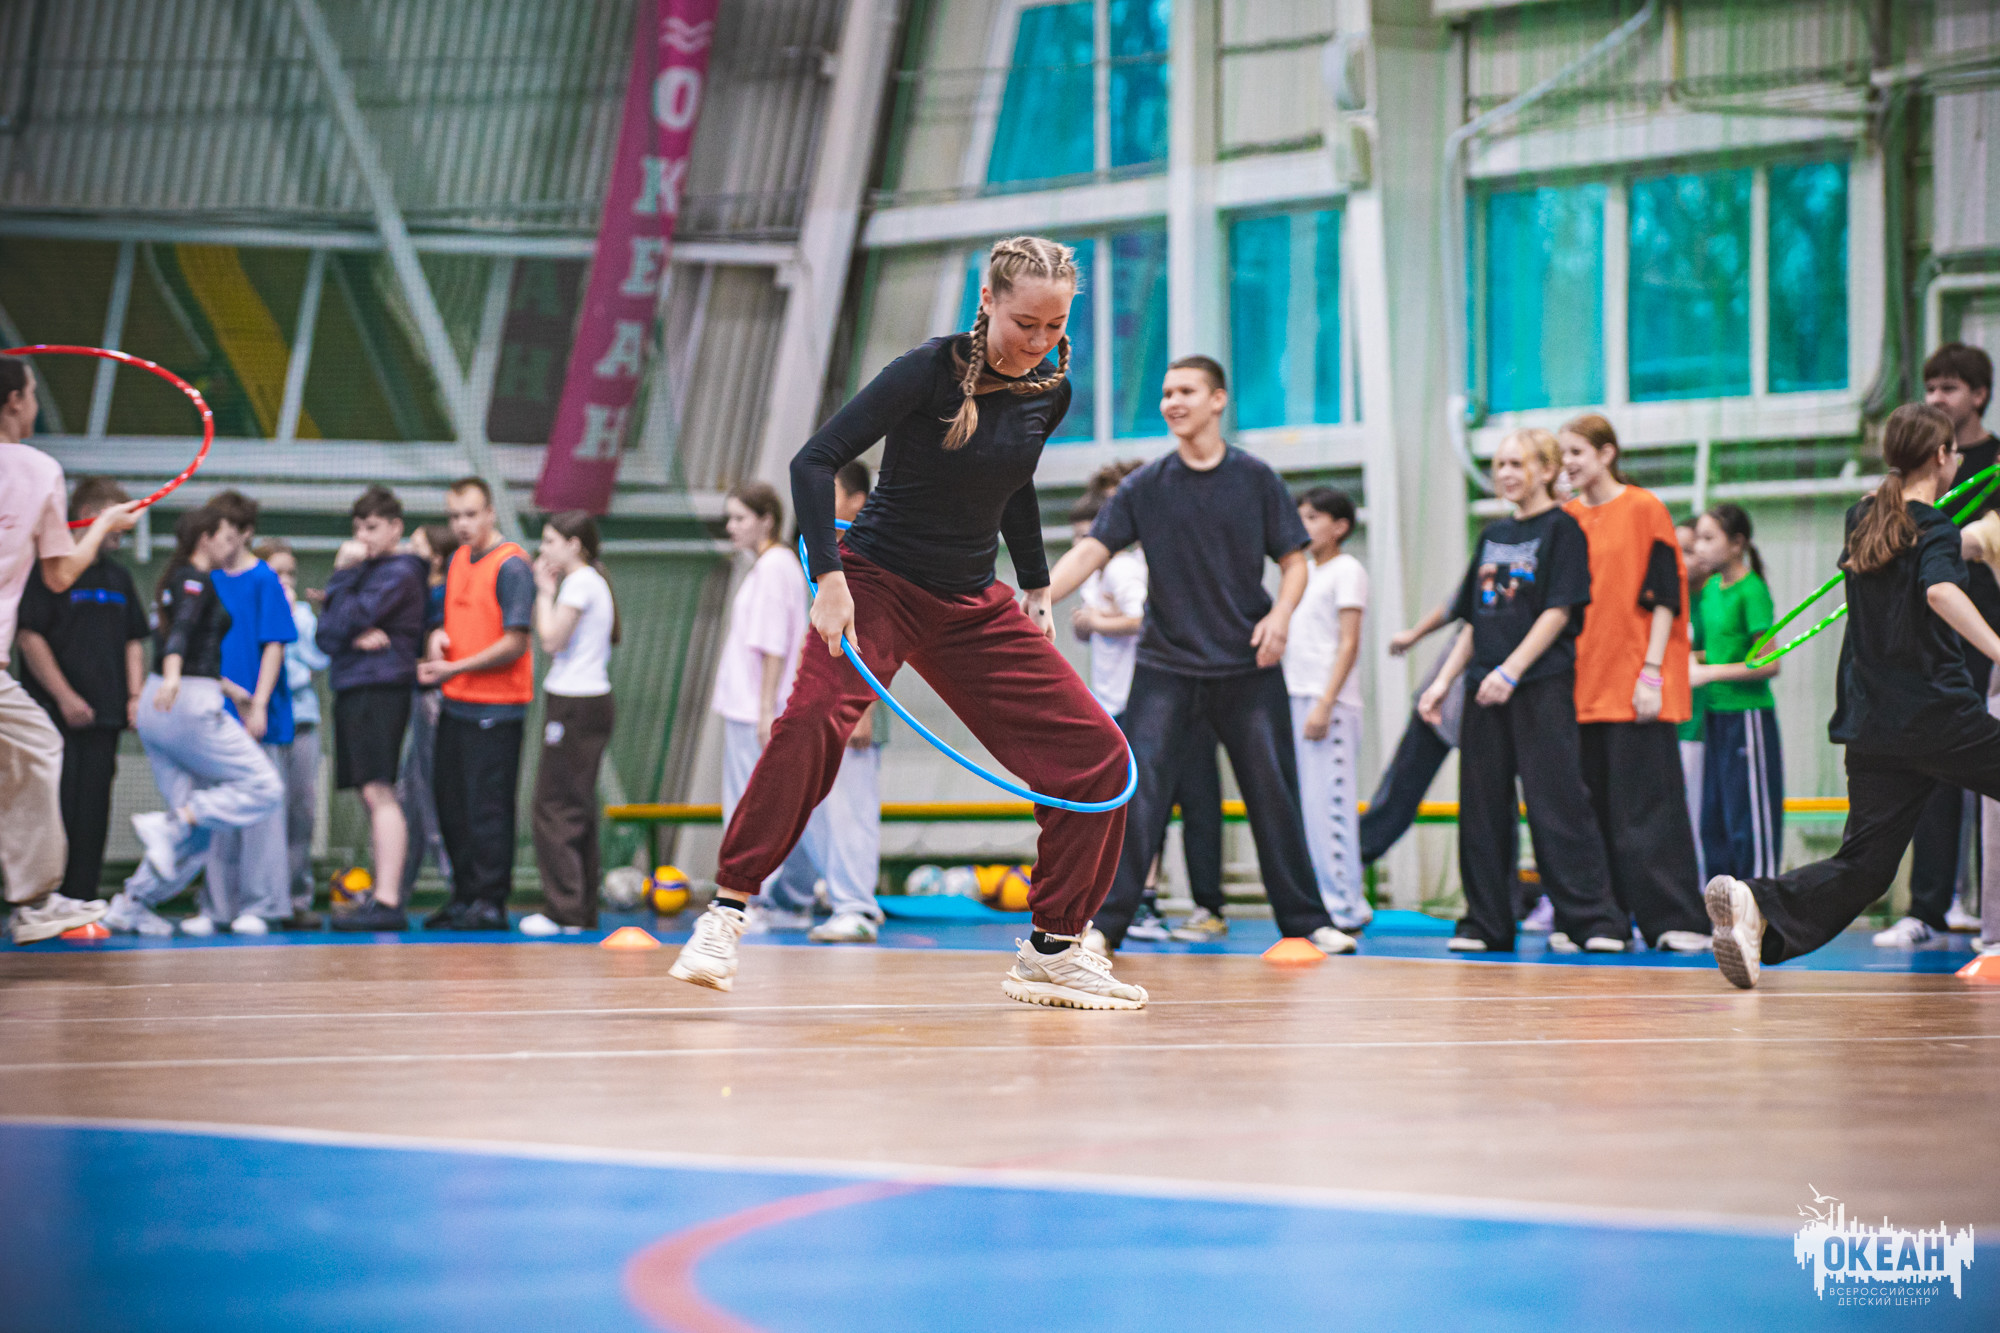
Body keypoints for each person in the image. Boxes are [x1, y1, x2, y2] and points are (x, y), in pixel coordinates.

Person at [670, 235, 1143, 1009]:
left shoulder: (1048, 390)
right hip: (876, 584)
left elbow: (1014, 483)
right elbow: (813, 461)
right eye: (1025, 323)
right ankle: (727, 909)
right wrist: (829, 578)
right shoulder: (925, 371)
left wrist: (1034, 583)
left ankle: (1054, 948)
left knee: (1098, 758)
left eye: (1055, 326)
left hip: (971, 602)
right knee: (814, 720)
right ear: (987, 300)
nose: (1039, 341)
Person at [1049, 355, 1356, 958]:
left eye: (1186, 391)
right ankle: (1107, 924)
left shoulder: (1256, 479)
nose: (1172, 402)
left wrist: (1280, 617)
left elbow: (1294, 561)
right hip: (1166, 665)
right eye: (1166, 393)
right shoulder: (1145, 486)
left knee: (1273, 793)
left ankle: (1306, 921)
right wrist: (1038, 596)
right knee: (1139, 795)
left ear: (1218, 400)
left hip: (1246, 666)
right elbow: (1091, 552)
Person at [1706, 404, 2000, 988]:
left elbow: (1891, 518)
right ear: (1942, 457)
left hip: (1872, 723)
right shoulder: (1935, 528)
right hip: (1937, 716)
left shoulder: (1862, 518)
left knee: (1865, 866)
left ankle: (1757, 906)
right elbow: (1941, 592)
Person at [1419, 428, 1628, 954]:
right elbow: (1475, 618)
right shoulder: (1492, 534)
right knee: (1482, 807)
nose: (1506, 473)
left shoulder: (1562, 530)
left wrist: (1512, 671)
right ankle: (1486, 923)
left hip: (1538, 686)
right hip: (1482, 690)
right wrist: (1442, 682)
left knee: (1557, 804)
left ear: (1547, 470)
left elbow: (1558, 610)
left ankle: (1592, 921)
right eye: (1500, 464)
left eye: (1518, 463)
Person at [1557, 415, 1711, 952]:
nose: (1568, 463)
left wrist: (1651, 672)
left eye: (1577, 452)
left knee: (1650, 810)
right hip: (1581, 688)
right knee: (1591, 813)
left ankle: (1675, 919)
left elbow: (1665, 593)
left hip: (1636, 684)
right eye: (1563, 454)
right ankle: (1605, 921)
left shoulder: (1645, 508)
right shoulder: (1567, 518)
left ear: (1607, 454)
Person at [101, 507, 285, 936]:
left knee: (197, 832)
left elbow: (189, 638)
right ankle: (170, 823)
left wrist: (233, 691)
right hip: (185, 702)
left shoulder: (175, 579)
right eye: (226, 537)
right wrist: (173, 676)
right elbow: (180, 633)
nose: (233, 545)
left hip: (164, 705)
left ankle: (131, 903)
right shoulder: (195, 580)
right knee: (265, 786)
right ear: (205, 537)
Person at [1067, 472, 1225, 943]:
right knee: (1131, 805)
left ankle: (1158, 902)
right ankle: (1138, 900)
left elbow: (1144, 619)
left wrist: (1099, 621)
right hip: (1115, 702)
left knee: (1171, 802)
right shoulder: (1097, 574)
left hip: (1154, 701)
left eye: (1087, 536)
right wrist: (1088, 625)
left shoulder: (1124, 568)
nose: (1081, 546)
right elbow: (1102, 628)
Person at [706, 482, 858, 935]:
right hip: (756, 704)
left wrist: (764, 710)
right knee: (785, 805)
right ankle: (789, 900)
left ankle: (749, 901)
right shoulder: (777, 566)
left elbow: (773, 643)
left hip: (753, 707)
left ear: (767, 520)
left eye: (740, 518)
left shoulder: (774, 568)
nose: (731, 527)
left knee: (752, 805)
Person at [1890, 343, 1999, 944]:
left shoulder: (1996, 464)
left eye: (1949, 388)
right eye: (1930, 387)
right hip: (1933, 637)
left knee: (1985, 766)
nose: (1936, 397)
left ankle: (1988, 907)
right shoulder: (1911, 476)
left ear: (1979, 395)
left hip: (1986, 631)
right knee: (1933, 763)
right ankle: (1927, 908)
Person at [15, 476, 149, 903]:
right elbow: (29, 636)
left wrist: (134, 696)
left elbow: (133, 639)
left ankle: (82, 900)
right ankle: (40, 899)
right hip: (52, 717)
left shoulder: (119, 578)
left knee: (93, 810)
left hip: (104, 716)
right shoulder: (49, 571)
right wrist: (65, 697)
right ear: (90, 516)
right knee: (52, 807)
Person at [417, 478, 534, 930]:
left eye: (470, 514)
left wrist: (458, 667)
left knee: (488, 808)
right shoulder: (458, 560)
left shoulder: (511, 566)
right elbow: (453, 621)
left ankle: (490, 901)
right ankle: (464, 895)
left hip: (497, 709)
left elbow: (515, 641)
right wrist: (437, 638)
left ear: (490, 513)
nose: (462, 524)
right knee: (452, 804)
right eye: (454, 516)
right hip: (456, 704)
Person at [316, 485, 429, 932]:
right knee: (369, 791)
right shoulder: (367, 571)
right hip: (354, 685)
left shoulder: (400, 572)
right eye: (358, 528)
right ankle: (384, 897)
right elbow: (327, 635)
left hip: (379, 688)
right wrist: (351, 628)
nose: (362, 537)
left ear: (396, 528)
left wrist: (342, 578)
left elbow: (340, 620)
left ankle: (388, 901)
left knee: (380, 790)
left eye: (372, 527)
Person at [194, 490, 297, 935]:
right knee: (216, 808)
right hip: (212, 711)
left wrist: (257, 704)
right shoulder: (207, 579)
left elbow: (274, 644)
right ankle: (216, 906)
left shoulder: (263, 579)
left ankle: (261, 904)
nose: (218, 539)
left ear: (245, 533)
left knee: (262, 811)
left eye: (227, 532)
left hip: (256, 713)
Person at [522, 511, 618, 936]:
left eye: (550, 541)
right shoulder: (591, 582)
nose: (543, 550)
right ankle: (580, 908)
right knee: (576, 804)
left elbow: (550, 639)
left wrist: (544, 594)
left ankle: (565, 911)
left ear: (574, 545)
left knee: (554, 805)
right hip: (583, 701)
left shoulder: (579, 583)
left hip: (576, 704)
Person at [1285, 486, 1371, 933]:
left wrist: (1325, 702)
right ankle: (1327, 900)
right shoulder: (1304, 573)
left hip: (1328, 702)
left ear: (1339, 526)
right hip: (1297, 693)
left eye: (1313, 517)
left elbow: (1349, 641)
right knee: (1309, 811)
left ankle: (1345, 907)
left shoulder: (1347, 570)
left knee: (1330, 809)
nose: (1303, 526)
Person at [808, 460, 887, 944]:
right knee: (827, 808)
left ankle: (857, 906)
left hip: (857, 707)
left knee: (853, 807)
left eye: (832, 491)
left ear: (857, 501)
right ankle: (840, 896)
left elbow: (876, 640)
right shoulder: (828, 556)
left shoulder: (866, 557)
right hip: (829, 706)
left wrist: (864, 710)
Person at [1688, 505, 1783, 887]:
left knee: (1750, 821)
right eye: (1698, 539)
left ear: (1737, 543)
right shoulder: (1711, 589)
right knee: (1714, 820)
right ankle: (1723, 905)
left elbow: (1769, 663)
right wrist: (1688, 661)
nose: (1699, 547)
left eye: (1709, 538)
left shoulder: (1752, 590)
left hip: (1747, 718)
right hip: (1715, 717)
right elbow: (1719, 652)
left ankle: (1760, 901)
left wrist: (1708, 673)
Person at [1358, 601, 1462, 868]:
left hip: (1494, 709)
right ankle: (1345, 863)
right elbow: (1457, 604)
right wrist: (1415, 634)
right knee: (1395, 802)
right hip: (1441, 705)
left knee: (1494, 813)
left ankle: (1504, 893)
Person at [258, 539, 329, 925]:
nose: (286, 580)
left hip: (302, 722)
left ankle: (297, 898)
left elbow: (317, 660)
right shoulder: (253, 610)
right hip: (265, 726)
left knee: (302, 811)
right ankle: (262, 897)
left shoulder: (302, 615)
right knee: (266, 812)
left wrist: (294, 620)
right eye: (277, 573)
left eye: (291, 573)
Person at [397, 523, 456, 902]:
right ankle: (396, 889)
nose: (406, 549)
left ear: (435, 557)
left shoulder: (444, 595)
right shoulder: (417, 591)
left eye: (415, 545)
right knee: (408, 793)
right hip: (420, 698)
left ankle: (456, 883)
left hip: (436, 700)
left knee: (431, 791)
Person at [1676, 518, 1712, 884]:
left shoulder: (1715, 597)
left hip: (1701, 723)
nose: (1684, 559)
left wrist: (1692, 661)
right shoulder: (1671, 599)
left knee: (1697, 814)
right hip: (1670, 722)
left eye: (1689, 550)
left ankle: (1699, 889)